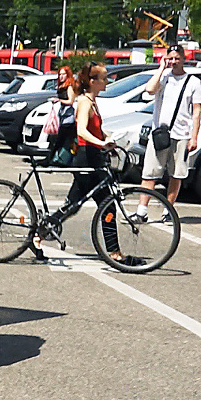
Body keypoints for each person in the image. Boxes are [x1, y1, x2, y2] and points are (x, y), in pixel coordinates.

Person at [41, 63, 136, 264]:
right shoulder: (84, 102)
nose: (107, 81)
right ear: (92, 82)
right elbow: (82, 131)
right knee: (107, 205)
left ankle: (39, 234)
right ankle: (114, 253)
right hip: (86, 159)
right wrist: (101, 143)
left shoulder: (93, 102)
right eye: (103, 78)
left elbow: (95, 131)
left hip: (94, 156)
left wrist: (109, 141)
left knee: (74, 205)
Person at [130, 44, 201, 224]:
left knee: (176, 174)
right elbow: (149, 89)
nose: (174, 62)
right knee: (149, 173)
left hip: (182, 134)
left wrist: (194, 137)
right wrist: (161, 67)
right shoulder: (164, 78)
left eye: (177, 58)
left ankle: (168, 210)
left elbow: (196, 112)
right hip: (160, 133)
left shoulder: (193, 82)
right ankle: (141, 211)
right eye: (170, 58)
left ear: (184, 59)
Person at [46, 65, 78, 165]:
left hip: (68, 117)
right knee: (61, 139)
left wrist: (59, 100)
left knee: (61, 139)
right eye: (60, 74)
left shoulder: (69, 86)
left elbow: (70, 101)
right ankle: (56, 159)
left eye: (63, 74)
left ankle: (52, 159)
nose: (61, 76)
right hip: (62, 115)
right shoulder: (61, 86)